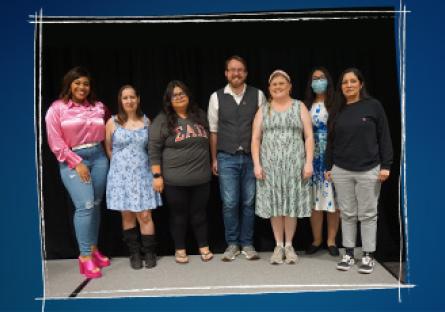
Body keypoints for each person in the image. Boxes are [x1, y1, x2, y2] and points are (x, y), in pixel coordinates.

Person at [325, 67, 393, 274]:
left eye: (353, 81)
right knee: (347, 214)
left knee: (368, 214)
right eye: (345, 82)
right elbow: (331, 141)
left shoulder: (373, 106)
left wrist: (386, 165)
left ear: (361, 84)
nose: (349, 85)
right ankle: (349, 254)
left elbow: (384, 137)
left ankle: (368, 255)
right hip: (341, 170)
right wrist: (329, 167)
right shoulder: (337, 109)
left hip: (369, 169)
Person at [45, 66, 110, 278]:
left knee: (97, 205)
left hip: (99, 157)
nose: (82, 87)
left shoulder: (98, 107)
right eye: (77, 83)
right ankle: (84, 257)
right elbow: (55, 142)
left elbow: (110, 130)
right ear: (69, 84)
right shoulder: (57, 109)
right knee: (85, 205)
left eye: (86, 83)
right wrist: (76, 162)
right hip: (74, 159)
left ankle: (93, 249)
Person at [208, 55, 267, 261]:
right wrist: (214, 158)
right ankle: (232, 243)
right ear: (226, 73)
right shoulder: (216, 97)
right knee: (230, 202)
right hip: (226, 157)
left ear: (246, 73)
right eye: (232, 70)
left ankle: (248, 243)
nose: (236, 73)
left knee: (249, 202)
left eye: (240, 69)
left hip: (251, 158)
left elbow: (262, 130)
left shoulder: (258, 95)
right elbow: (213, 131)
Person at [252, 69, 314, 264]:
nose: (278, 87)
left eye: (281, 83)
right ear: (269, 88)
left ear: (289, 86)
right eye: (274, 84)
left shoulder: (299, 107)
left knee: (290, 205)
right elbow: (255, 138)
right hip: (270, 167)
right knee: (275, 206)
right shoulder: (263, 109)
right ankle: (278, 245)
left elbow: (309, 136)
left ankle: (289, 245)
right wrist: (256, 164)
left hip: (294, 165)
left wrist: (308, 162)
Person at [150, 80, 213, 264]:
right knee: (179, 216)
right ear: (169, 99)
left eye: (182, 93)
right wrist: (156, 175)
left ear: (188, 95)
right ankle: (180, 249)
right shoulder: (162, 120)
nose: (179, 97)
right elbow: (153, 149)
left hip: (201, 178)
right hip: (174, 180)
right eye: (174, 95)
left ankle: (203, 246)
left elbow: (209, 141)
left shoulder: (199, 115)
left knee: (200, 214)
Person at [105, 85, 162, 270]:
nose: (129, 101)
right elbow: (108, 147)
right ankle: (134, 253)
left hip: (143, 175)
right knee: (127, 215)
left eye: (132, 97)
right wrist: (120, 167)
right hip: (120, 177)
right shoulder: (112, 122)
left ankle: (149, 252)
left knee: (145, 215)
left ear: (138, 99)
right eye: (125, 98)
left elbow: (152, 149)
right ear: (120, 101)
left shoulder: (147, 122)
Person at [303, 67, 340, 257]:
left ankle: (331, 241)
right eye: (315, 78)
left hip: (332, 155)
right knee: (314, 201)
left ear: (328, 80)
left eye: (322, 78)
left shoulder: (336, 102)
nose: (318, 81)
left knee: (334, 199)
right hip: (311, 157)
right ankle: (317, 240)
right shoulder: (305, 104)